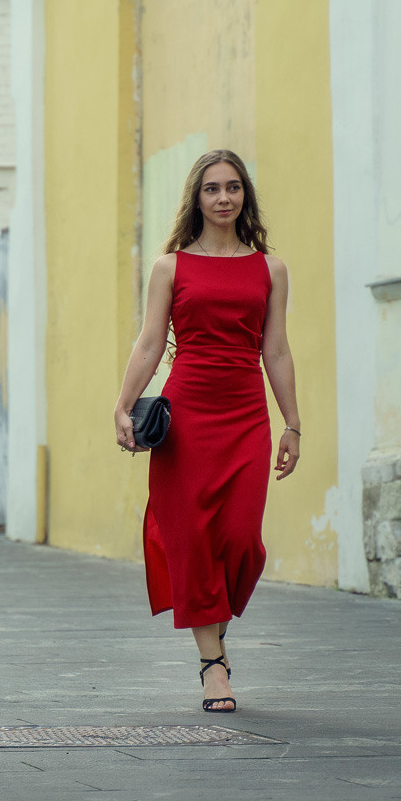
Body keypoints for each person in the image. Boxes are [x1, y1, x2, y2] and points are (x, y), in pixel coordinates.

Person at [113, 148, 301, 715]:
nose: (224, 198)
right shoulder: (170, 267)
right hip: (188, 413)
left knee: (240, 538)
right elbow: (149, 344)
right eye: (213, 189)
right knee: (192, 538)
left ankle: (215, 638)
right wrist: (122, 406)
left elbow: (276, 348)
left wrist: (292, 423)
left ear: (246, 196)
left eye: (234, 188)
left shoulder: (270, 268)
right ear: (197, 198)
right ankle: (212, 663)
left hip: (246, 413)